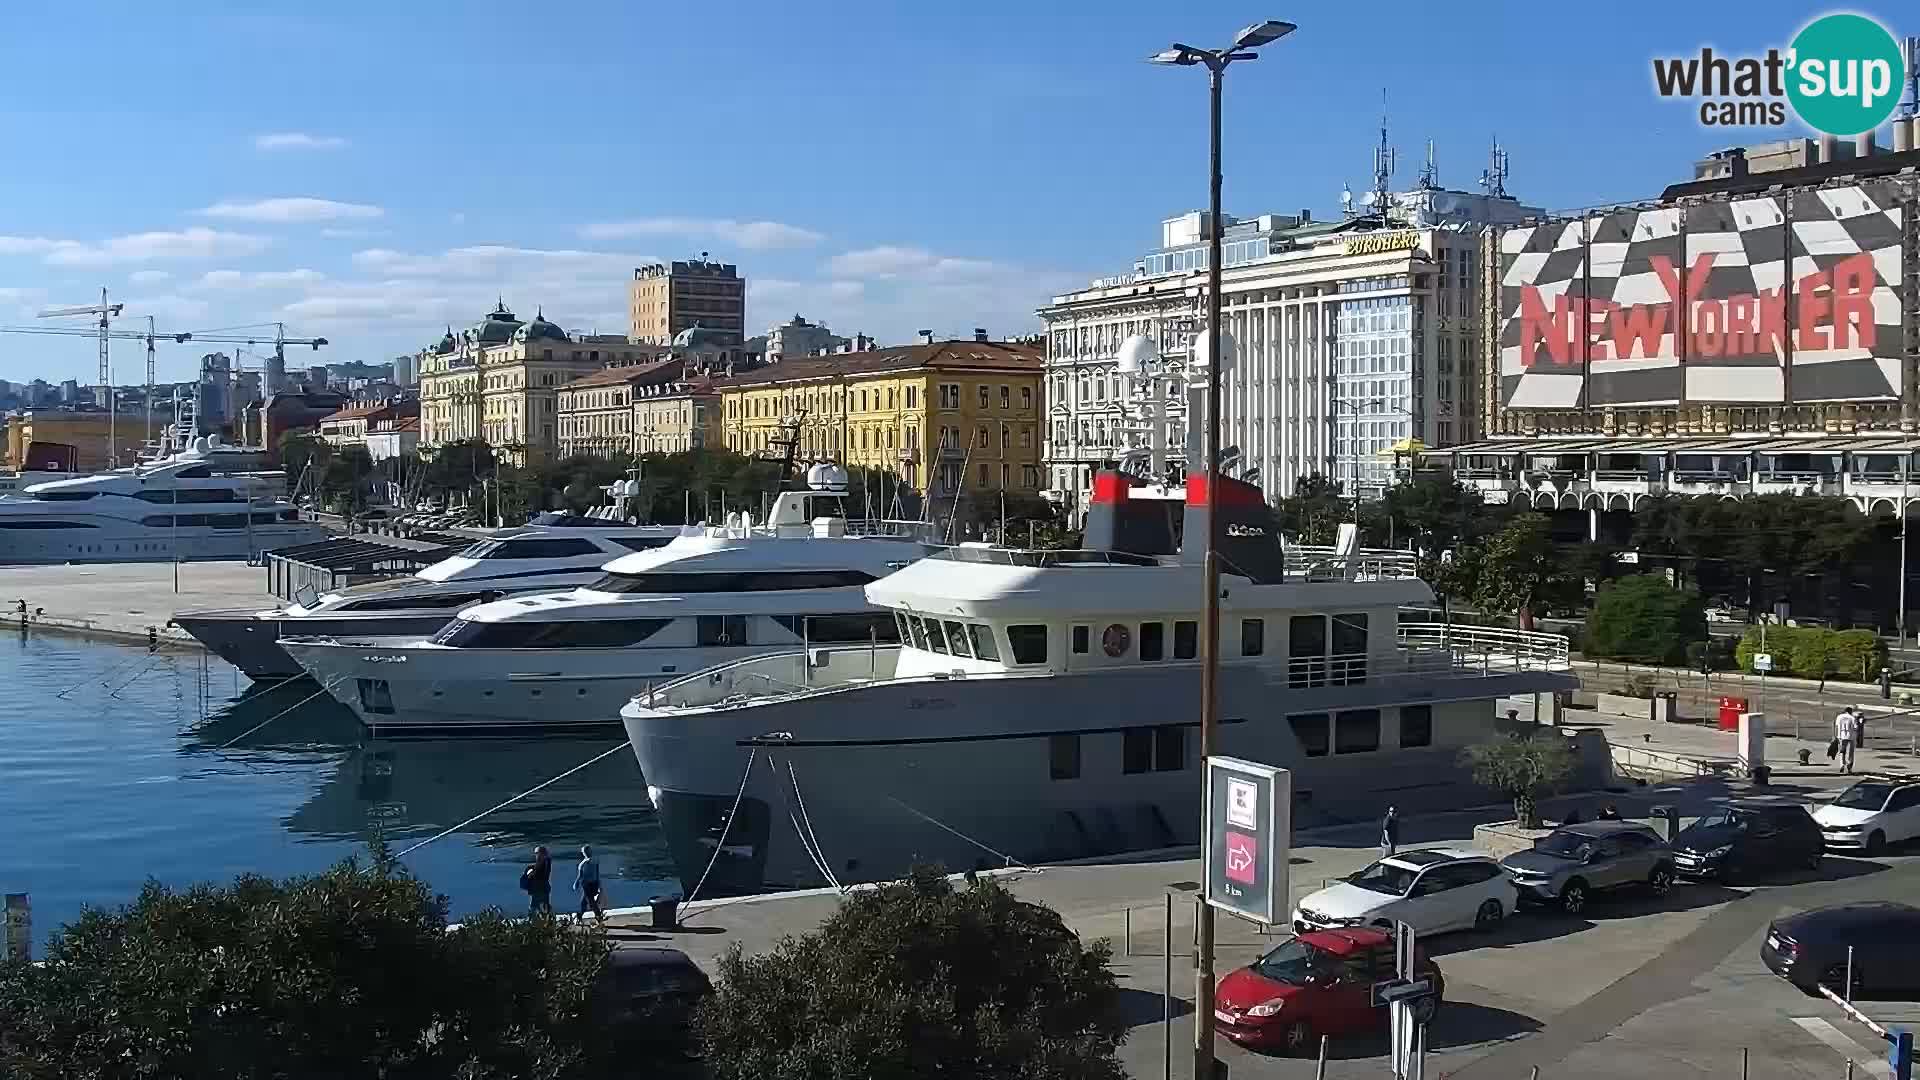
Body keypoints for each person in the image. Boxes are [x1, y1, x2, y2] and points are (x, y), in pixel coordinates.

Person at [575, 844, 606, 926]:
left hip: (587, 885)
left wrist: (576, 883)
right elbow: (597, 873)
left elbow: (580, 876)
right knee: (584, 902)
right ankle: (579, 917)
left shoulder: (583, 863)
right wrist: (599, 884)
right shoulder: (595, 861)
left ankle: (599, 918)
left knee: (591, 902)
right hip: (593, 884)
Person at [519, 845, 552, 917]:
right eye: (536, 853)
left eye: (537, 853)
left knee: (534, 907)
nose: (536, 855)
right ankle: (544, 921)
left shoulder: (544, 862)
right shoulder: (545, 861)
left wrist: (530, 873)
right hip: (542, 889)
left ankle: (533, 922)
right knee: (542, 907)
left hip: (539, 889)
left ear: (542, 853)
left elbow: (539, 874)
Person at [1835, 707, 1860, 774]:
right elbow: (1856, 727)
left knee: (1842, 751)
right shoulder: (1852, 717)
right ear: (1850, 711)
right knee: (1851, 752)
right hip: (1851, 736)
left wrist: (1836, 736)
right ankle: (1849, 766)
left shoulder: (1839, 717)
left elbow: (1837, 726)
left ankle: (1842, 765)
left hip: (1842, 736)